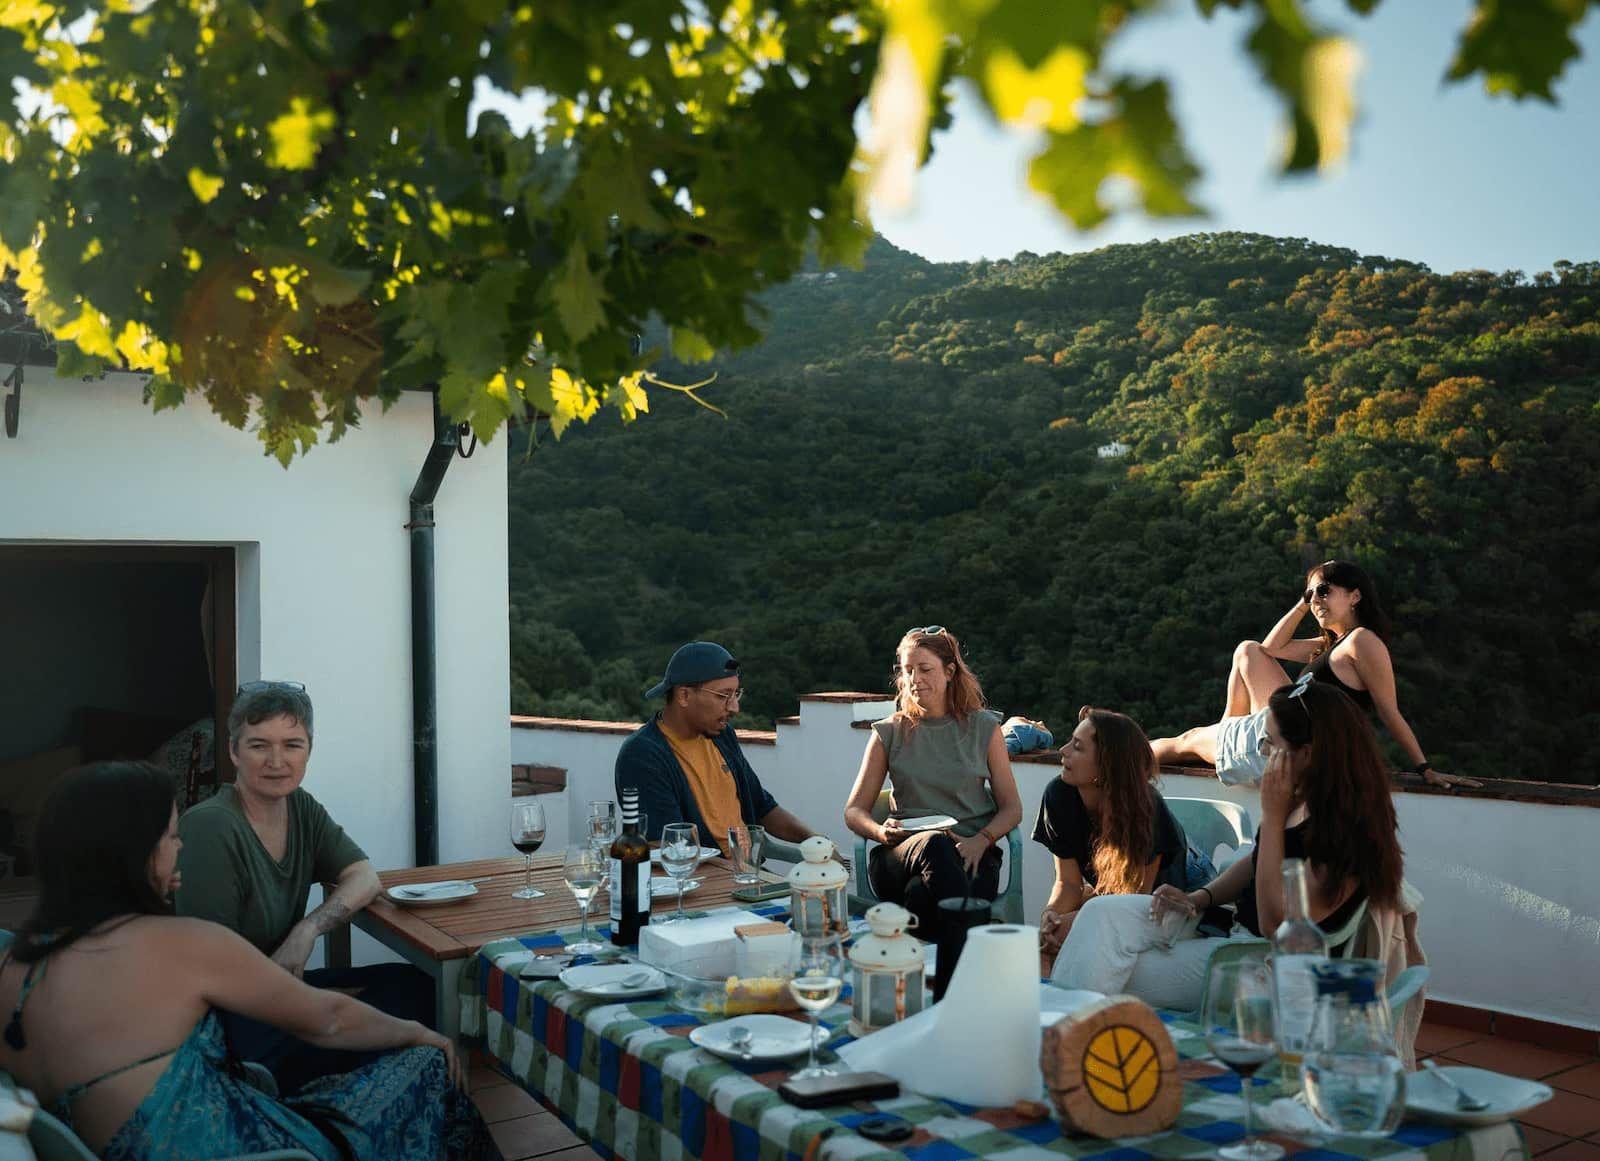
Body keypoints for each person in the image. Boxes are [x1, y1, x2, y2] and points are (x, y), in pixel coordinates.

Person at [0, 760, 499, 1160]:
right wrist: (423, 1033)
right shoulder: (179, 944)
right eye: (172, 836)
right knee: (427, 1066)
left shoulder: (15, 965)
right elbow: (328, 1019)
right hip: (246, 1148)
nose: (180, 847)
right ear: (136, 852)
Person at [1053, 682, 1418, 1044]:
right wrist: (1200, 898)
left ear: (1307, 754)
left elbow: (1277, 925)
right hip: (1234, 934)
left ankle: (1062, 1048)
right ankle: (1063, 1040)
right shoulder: (1303, 800)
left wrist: (1272, 818)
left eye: (1270, 744)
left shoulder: (1342, 832)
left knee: (1107, 967)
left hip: (1263, 967)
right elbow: (1257, 862)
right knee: (1100, 914)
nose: (1261, 751)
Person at [177, 681, 430, 1091]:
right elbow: (214, 974)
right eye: (259, 745)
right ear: (233, 752)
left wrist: (306, 930)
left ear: (308, 749)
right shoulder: (212, 827)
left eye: (292, 745)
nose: (277, 761)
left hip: (278, 995)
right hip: (225, 1017)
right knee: (385, 1031)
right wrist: (318, 1011)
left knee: (413, 988)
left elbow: (364, 876)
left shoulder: (301, 808)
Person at [1151, 559, 1480, 789]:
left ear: (1355, 595)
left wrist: (1425, 769)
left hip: (1290, 743)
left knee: (1187, 741)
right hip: (1281, 730)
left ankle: (1118, 754)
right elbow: (1270, 648)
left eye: (1325, 591)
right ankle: (1227, 729)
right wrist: (1302, 604)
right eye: (1312, 594)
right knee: (1248, 650)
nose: (1317, 601)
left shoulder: (1362, 642)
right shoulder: (1329, 646)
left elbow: (1388, 710)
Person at [844, 627, 1023, 938]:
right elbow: (855, 811)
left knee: (920, 895)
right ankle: (975, 962)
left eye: (924, 669)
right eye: (907, 670)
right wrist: (880, 832)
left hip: (972, 853)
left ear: (950, 671)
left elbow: (1012, 808)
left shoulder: (984, 728)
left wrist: (981, 839)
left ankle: (928, 976)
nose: (915, 679)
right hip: (900, 855)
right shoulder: (889, 732)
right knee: (933, 843)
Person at [614, 641, 817, 850]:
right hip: (705, 878)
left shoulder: (722, 735)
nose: (735, 707)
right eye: (723, 696)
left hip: (747, 872)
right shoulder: (642, 755)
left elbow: (761, 806)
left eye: (736, 694)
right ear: (684, 695)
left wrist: (816, 840)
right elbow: (672, 848)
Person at [1034, 707, 1201, 959]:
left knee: (1070, 938)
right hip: (1113, 892)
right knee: (1047, 939)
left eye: (1077, 747)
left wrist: (1076, 921)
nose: (1063, 750)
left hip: (1173, 895)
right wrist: (1051, 914)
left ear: (1106, 766)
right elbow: (1067, 883)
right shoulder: (1059, 795)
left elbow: (1133, 902)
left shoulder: (1147, 811)